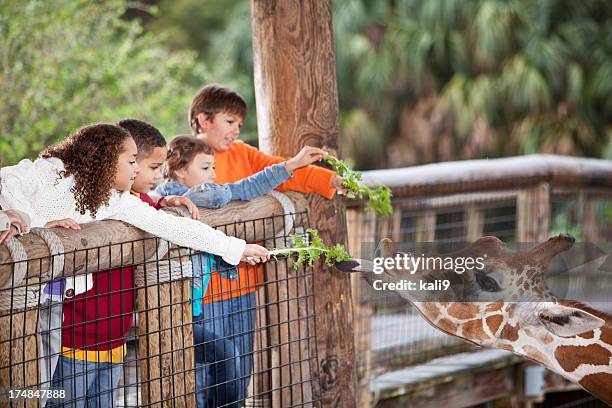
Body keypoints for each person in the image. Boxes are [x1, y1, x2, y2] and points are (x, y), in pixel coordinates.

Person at [0, 123, 269, 407]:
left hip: (64, 316)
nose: (136, 170)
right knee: (29, 394)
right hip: (32, 313)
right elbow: (5, 180)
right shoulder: (53, 170)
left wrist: (236, 248)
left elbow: (173, 227)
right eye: (131, 162)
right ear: (105, 159)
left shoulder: (116, 201)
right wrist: (29, 220)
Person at [187, 84, 344, 402]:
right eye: (229, 122)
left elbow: (284, 172)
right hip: (204, 291)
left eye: (239, 125)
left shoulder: (243, 153)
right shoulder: (183, 156)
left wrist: (331, 180)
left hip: (244, 286)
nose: (235, 131)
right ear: (203, 120)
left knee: (239, 372)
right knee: (204, 375)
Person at [154, 135, 327, 407]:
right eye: (205, 168)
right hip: (185, 310)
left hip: (189, 307)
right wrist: (291, 165)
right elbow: (244, 188)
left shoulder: (165, 197)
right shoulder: (201, 195)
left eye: (213, 167)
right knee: (217, 365)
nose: (214, 173)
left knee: (202, 371)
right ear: (179, 171)